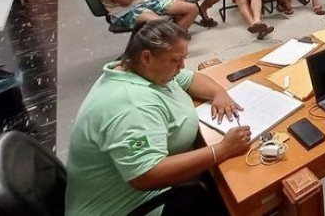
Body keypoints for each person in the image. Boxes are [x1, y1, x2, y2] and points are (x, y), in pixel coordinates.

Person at [64, 19, 251, 216]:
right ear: (146, 57)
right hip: (132, 207)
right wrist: (221, 150)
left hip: (158, 188)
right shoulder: (130, 105)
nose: (182, 66)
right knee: (238, 191)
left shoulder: (139, 69)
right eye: (176, 60)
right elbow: (146, 175)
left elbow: (190, 78)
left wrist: (218, 93)